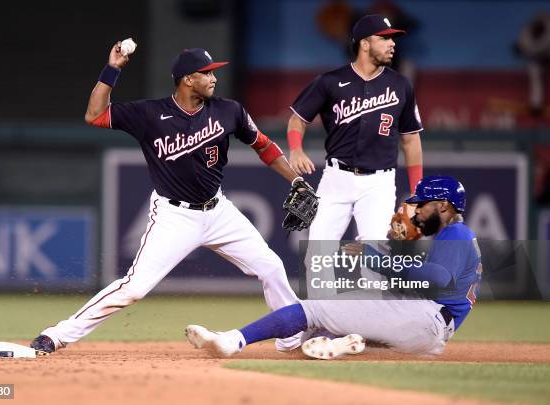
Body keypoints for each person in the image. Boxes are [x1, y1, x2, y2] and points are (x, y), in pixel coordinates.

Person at [29, 43, 307, 354]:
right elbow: (94, 115)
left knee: (270, 266)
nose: (214, 78)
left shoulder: (230, 110)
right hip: (175, 216)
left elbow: (264, 145)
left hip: (219, 211)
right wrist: (113, 69)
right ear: (187, 79)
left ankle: (292, 337)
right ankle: (58, 334)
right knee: (133, 288)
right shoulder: (149, 114)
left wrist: (295, 179)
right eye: (207, 73)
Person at [185, 176, 483, 358]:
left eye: (424, 205)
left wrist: (378, 261)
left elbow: (436, 279)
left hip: (426, 320)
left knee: (314, 308)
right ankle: (349, 344)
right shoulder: (455, 236)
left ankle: (232, 341)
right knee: (317, 335)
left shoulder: (456, 233)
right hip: (427, 330)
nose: (417, 211)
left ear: (443, 206)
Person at [287, 14, 423, 241]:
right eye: (385, 38)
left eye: (393, 39)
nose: (392, 44)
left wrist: (417, 192)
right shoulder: (329, 81)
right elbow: (297, 119)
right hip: (335, 179)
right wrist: (296, 149)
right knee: (318, 258)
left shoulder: (401, 85)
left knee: (375, 260)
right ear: (365, 43)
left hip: (379, 184)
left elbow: (411, 140)